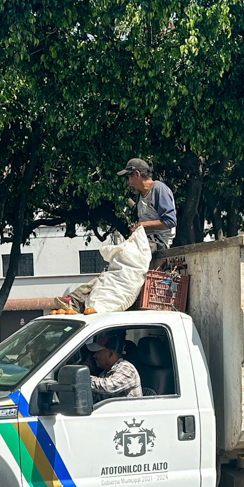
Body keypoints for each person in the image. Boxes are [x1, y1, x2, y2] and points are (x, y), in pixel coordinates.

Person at [53, 158, 176, 314]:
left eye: (128, 177)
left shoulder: (159, 190)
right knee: (112, 267)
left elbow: (170, 221)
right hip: (143, 241)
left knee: (119, 263)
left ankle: (90, 303)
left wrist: (143, 226)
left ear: (137, 174)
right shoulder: (140, 196)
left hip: (156, 242)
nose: (127, 182)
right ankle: (77, 300)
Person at [87, 333, 141, 400]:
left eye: (98, 352)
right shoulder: (105, 373)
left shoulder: (126, 368)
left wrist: (84, 378)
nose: (94, 355)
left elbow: (108, 387)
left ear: (111, 353)